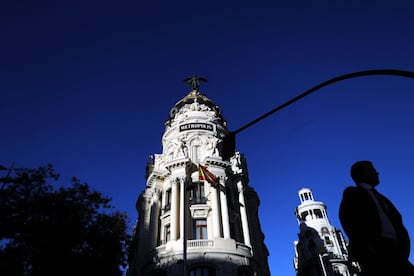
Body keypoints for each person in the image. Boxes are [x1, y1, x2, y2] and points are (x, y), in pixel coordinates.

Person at [339, 160, 414, 275]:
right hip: (374, 250)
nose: (377, 173)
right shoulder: (352, 193)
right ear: (359, 174)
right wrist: (367, 247)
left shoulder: (383, 199)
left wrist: (404, 249)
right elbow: (348, 219)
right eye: (372, 170)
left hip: (396, 252)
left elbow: (398, 223)